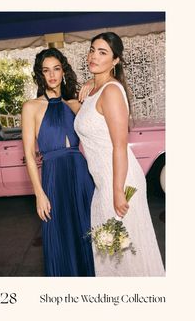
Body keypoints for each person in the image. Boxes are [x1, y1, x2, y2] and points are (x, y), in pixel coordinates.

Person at [74, 32, 165, 276]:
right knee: (112, 254)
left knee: (124, 252)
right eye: (93, 49)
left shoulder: (111, 91)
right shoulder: (95, 89)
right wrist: (90, 83)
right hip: (104, 182)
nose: (94, 55)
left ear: (115, 61)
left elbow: (119, 146)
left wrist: (116, 192)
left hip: (122, 182)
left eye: (102, 52)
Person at [21, 48, 95, 277]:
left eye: (56, 69)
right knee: (59, 238)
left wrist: (92, 82)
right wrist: (39, 194)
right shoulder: (31, 107)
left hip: (81, 176)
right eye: (46, 71)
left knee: (88, 235)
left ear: (63, 72)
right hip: (53, 178)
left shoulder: (74, 105)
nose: (52, 75)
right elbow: (29, 156)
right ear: (40, 75)